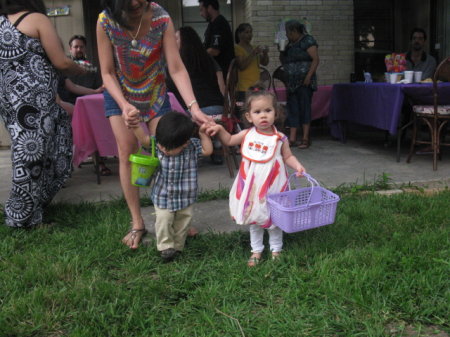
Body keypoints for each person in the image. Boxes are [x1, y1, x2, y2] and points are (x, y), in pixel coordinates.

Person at [97, 0, 212, 249]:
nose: (137, 2)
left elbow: (176, 66)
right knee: (128, 154)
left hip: (155, 92)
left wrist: (193, 106)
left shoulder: (162, 18)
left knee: (168, 149)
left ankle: (175, 216)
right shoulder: (105, 21)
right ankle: (138, 222)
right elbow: (107, 72)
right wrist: (125, 105)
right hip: (120, 94)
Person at [0, 0, 86, 228]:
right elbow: (61, 61)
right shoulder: (36, 19)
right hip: (34, 102)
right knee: (35, 155)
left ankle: (29, 209)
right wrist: (80, 68)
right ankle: (23, 218)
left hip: (10, 101)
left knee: (27, 154)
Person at [207, 85, 306, 267]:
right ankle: (256, 250)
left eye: (268, 110)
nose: (263, 115)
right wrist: (220, 130)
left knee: (275, 217)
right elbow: (229, 140)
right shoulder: (246, 135)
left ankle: (276, 248)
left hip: (274, 185)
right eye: (257, 111)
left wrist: (297, 165)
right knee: (255, 217)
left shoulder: (280, 138)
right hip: (252, 187)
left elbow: (288, 156)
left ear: (276, 113)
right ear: (248, 116)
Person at [131, 111, 213, 261]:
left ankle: (178, 245)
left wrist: (203, 134)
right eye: (162, 145)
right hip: (163, 195)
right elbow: (143, 140)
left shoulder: (192, 147)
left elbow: (208, 151)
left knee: (183, 221)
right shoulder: (158, 144)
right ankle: (165, 247)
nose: (164, 149)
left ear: (184, 143)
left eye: (169, 148)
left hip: (186, 196)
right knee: (163, 220)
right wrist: (135, 125)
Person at [166, 26, 225, 165]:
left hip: (197, 112)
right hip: (219, 109)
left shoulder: (178, 64)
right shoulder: (208, 58)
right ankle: (216, 143)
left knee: (172, 114)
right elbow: (221, 83)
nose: (173, 41)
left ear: (184, 41)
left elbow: (171, 89)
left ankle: (191, 150)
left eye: (176, 38)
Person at [280, 19, 319, 149]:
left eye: (288, 32)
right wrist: (281, 49)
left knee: (304, 108)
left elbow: (315, 59)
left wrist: (308, 76)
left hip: (304, 82)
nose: (287, 35)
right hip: (291, 83)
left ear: (295, 31)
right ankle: (291, 138)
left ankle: (305, 138)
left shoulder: (308, 40)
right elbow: (284, 61)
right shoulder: (289, 44)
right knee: (293, 109)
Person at [199, 0, 234, 81]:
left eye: (201, 10)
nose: (200, 14)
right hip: (215, 72)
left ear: (210, 8)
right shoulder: (212, 24)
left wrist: (198, 54)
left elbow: (214, 50)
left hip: (221, 73)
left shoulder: (219, 23)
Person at [234, 23, 269, 101]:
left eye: (251, 32)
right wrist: (253, 53)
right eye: (247, 32)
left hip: (257, 87)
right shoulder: (237, 48)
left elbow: (265, 63)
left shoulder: (253, 47)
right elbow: (241, 66)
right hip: (244, 88)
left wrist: (265, 53)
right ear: (239, 34)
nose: (250, 35)